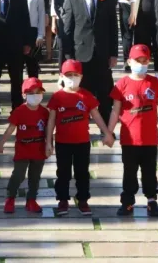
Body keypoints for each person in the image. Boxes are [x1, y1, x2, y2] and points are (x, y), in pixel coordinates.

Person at [108, 44, 158, 217]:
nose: (141, 64)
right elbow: (115, 110)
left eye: (144, 60)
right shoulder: (122, 84)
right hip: (129, 139)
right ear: (129, 61)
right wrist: (108, 132)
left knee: (149, 172)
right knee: (129, 172)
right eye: (137, 60)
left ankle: (151, 201)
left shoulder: (154, 83)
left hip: (149, 139)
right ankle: (127, 201)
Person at [46, 59, 114, 216]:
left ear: (81, 77)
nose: (72, 78)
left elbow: (96, 115)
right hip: (63, 142)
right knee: (63, 172)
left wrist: (106, 132)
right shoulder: (57, 97)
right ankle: (63, 200)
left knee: (82, 172)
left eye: (75, 75)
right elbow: (51, 120)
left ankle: (83, 199)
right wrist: (48, 142)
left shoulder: (86, 96)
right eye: (68, 75)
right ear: (62, 76)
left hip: (82, 142)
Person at [62, 0, 119, 123]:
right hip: (81, 55)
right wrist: (68, 57)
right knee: (82, 92)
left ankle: (106, 126)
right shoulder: (73, 0)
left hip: (102, 53)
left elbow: (113, 28)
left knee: (104, 92)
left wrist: (113, 54)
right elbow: (67, 30)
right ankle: (83, 123)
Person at [0, 77, 50, 214]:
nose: (35, 96)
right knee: (18, 175)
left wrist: (50, 145)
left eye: (38, 92)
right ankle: (10, 198)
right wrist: (1, 143)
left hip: (39, 149)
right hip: (23, 149)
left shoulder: (45, 112)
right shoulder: (19, 111)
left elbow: (48, 131)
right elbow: (10, 128)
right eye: (31, 93)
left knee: (35, 176)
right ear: (24, 95)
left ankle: (31, 200)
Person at [18, 0, 46, 78]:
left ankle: (34, 92)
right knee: (18, 66)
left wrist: (40, 35)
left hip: (32, 32)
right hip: (19, 33)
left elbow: (41, 16)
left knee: (32, 66)